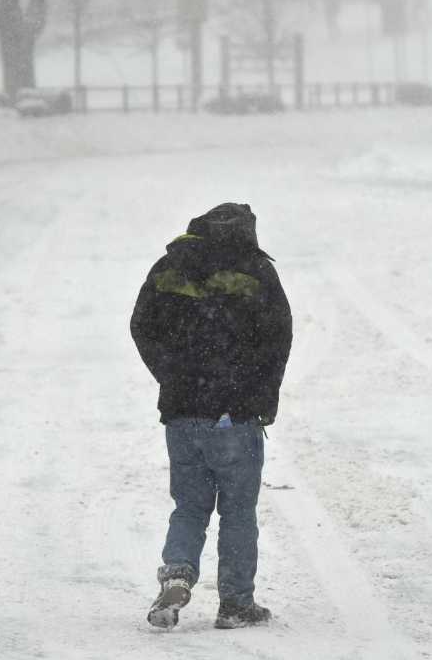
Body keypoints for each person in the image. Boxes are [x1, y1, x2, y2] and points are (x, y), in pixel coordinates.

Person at [130, 202, 292, 630]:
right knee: (238, 512)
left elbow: (141, 325)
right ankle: (236, 604)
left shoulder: (171, 266)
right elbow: (279, 337)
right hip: (235, 415)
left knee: (188, 506)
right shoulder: (256, 271)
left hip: (183, 411)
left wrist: (171, 374)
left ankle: (178, 572)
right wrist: (262, 395)